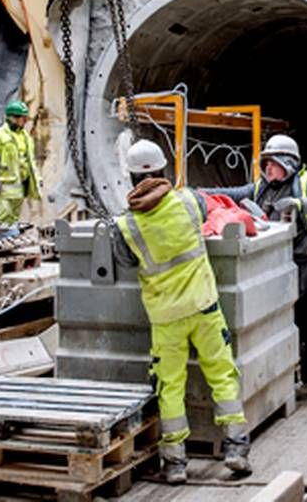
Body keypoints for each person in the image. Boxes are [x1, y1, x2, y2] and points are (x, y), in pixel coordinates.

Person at [110, 139, 250, 485]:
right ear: (163, 170)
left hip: (165, 317)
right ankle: (235, 449)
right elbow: (207, 213)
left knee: (169, 387)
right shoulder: (187, 201)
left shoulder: (125, 225)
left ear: (130, 178)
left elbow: (126, 261)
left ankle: (174, 463)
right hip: (203, 306)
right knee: (221, 373)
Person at [205, 134, 307, 407]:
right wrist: (198, 193)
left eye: (272, 162)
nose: (267, 167)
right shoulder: (262, 188)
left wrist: (299, 204)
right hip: (292, 266)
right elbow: (233, 194)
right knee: (304, 323)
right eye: (265, 162)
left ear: (288, 163)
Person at [0, 100, 40, 224]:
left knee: (14, 217)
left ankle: (9, 239)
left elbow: (30, 160)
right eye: (22, 118)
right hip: (5, 184)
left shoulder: (25, 136)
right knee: (4, 214)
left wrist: (37, 178)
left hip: (20, 185)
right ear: (12, 117)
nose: (25, 121)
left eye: (25, 118)